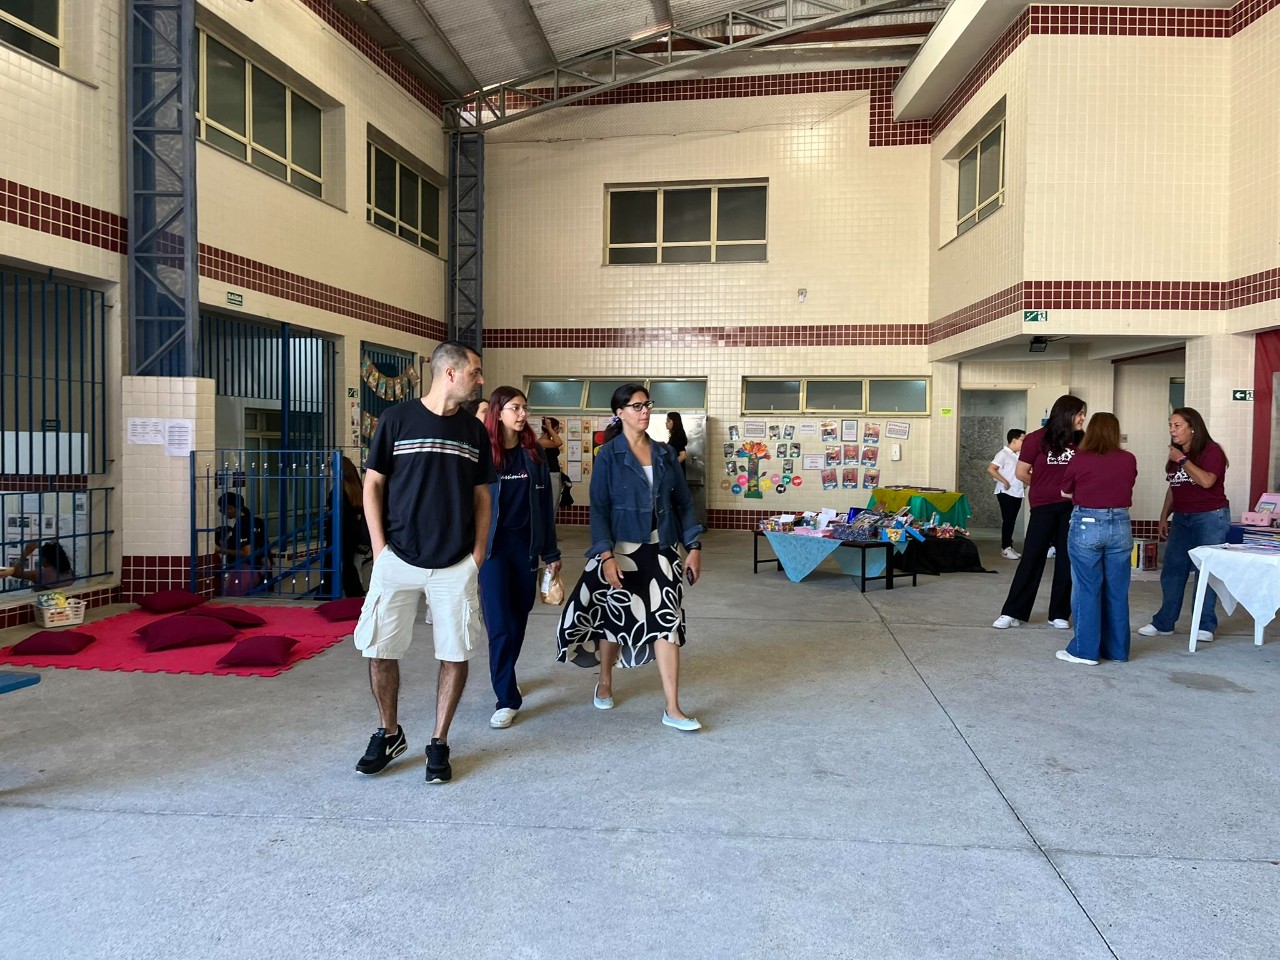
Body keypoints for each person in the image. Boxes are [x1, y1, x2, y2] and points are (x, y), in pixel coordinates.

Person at [351, 340, 494, 783]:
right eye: (474, 371)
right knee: (379, 649)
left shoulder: (473, 432)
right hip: (397, 556)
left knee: (455, 651)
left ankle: (439, 740)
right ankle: (389, 732)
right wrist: (379, 549)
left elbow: (482, 497)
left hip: (455, 562)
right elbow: (373, 485)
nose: (480, 380)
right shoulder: (397, 420)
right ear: (449, 372)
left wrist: (477, 555)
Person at [555, 384, 705, 731]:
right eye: (636, 406)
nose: (644, 411)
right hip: (622, 551)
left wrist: (694, 547)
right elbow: (599, 509)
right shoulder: (609, 455)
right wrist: (606, 555)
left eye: (646, 404)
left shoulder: (665, 453)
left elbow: (683, 503)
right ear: (619, 412)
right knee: (615, 619)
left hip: (662, 550)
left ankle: (673, 708)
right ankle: (605, 679)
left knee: (668, 624)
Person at [480, 387, 562, 729]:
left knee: (518, 620)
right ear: (498, 413)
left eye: (524, 407)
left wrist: (551, 552)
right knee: (499, 624)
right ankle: (506, 698)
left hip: (525, 548)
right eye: (514, 408)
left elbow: (544, 507)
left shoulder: (533, 454)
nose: (522, 414)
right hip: (493, 551)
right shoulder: (483, 454)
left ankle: (506, 674)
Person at [992, 394, 1086, 630]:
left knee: (1066, 559)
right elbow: (1022, 472)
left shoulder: (1082, 440)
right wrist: (1045, 486)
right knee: (1032, 557)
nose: (1083, 418)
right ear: (1066, 414)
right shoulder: (1036, 439)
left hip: (1072, 508)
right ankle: (1012, 612)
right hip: (1043, 506)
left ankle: (1059, 613)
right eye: (1079, 413)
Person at [1138, 407, 1231, 644]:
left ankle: (1205, 625)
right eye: (1170, 425)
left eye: (1177, 425)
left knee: (1206, 572)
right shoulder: (1177, 455)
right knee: (1173, 569)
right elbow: (1174, 486)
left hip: (1210, 517)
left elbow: (1207, 481)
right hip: (1182, 517)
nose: (1172, 430)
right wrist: (1164, 516)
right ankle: (1164, 622)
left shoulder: (1211, 451)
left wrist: (1182, 460)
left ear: (1193, 428)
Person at [1055, 413, 1138, 665]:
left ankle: (1085, 651)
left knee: (1087, 588)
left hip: (1087, 523)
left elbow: (1065, 491)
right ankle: (1117, 650)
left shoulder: (1080, 458)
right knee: (1117, 590)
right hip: (1121, 524)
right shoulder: (1128, 459)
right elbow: (1127, 484)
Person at [320, 456, 368, 599]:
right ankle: (354, 594)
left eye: (331, 469)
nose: (330, 472)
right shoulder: (355, 488)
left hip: (339, 533)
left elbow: (338, 515)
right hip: (352, 534)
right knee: (347, 565)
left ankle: (328, 594)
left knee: (333, 564)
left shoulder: (338, 491)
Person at [217, 493, 268, 597]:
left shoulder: (242, 525)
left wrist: (220, 550)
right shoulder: (256, 521)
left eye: (223, 510)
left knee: (233, 600)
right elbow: (262, 545)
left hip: (245, 571)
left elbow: (246, 553)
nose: (224, 514)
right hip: (260, 571)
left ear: (230, 508)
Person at [987, 428, 1026, 560]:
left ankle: (1009, 546)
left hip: (1017, 492)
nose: (1024, 443)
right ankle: (1005, 548)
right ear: (1014, 440)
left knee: (1012, 520)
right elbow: (991, 469)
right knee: (1008, 520)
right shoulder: (1003, 454)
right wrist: (1004, 481)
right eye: (1022, 440)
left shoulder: (1018, 455)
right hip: (1005, 492)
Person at [2, 541, 75, 590]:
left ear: (45, 559)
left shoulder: (42, 573)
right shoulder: (68, 571)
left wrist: (26, 552)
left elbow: (15, 573)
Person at [538, 416, 564, 514]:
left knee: (555, 503)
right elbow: (559, 442)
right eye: (557, 428)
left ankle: (550, 522)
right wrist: (550, 428)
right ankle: (548, 523)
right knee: (551, 505)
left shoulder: (549, 441)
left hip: (554, 474)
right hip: (549, 475)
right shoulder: (542, 441)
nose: (558, 431)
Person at [666, 412, 689, 476]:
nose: (666, 423)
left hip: (677, 473)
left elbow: (683, 455)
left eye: (668, 421)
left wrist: (670, 466)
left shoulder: (678, 436)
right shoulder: (675, 435)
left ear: (675, 422)